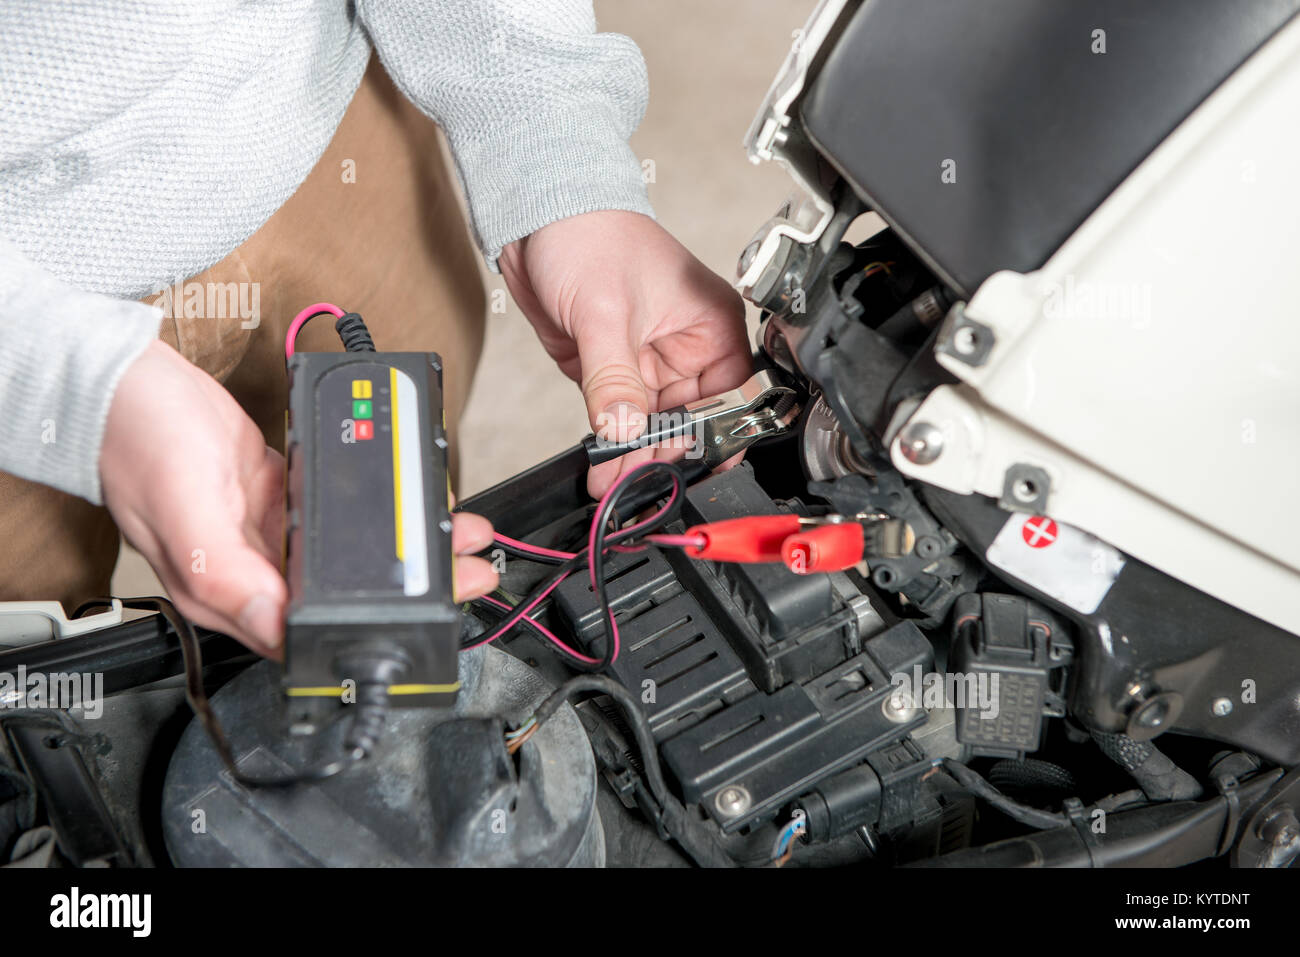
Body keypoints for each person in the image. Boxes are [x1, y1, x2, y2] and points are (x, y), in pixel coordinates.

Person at [0, 1, 750, 656]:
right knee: (41, 665)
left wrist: (558, 154)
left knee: (418, 494)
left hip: (312, 116)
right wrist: (69, 384)